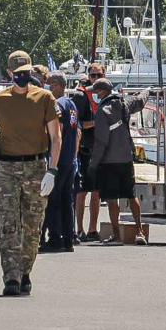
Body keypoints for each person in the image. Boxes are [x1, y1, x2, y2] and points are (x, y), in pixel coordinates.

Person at [0, 50, 62, 296]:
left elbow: (56, 137)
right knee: (9, 224)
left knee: (33, 225)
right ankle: (11, 276)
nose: (23, 77)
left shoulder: (44, 98)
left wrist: (52, 170)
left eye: (27, 73)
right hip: (7, 169)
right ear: (10, 73)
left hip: (36, 167)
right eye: (19, 73)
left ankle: (25, 271)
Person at [88, 78, 148, 246]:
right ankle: (139, 232)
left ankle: (117, 236)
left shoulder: (102, 111)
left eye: (95, 92)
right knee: (131, 195)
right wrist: (147, 90)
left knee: (112, 199)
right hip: (126, 157)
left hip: (108, 161)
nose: (94, 95)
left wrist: (93, 164)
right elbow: (141, 100)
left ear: (101, 92)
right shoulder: (124, 103)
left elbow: (101, 141)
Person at [41, 70, 80, 252]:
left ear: (55, 85)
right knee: (67, 200)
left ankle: (55, 238)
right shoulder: (72, 104)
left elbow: (57, 132)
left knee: (54, 200)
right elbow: (78, 133)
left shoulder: (58, 104)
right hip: (70, 159)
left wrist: (52, 160)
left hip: (58, 159)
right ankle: (68, 238)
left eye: (48, 84)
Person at [72, 62, 103, 242]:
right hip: (84, 149)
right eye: (93, 76)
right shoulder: (81, 96)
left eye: (99, 75)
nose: (96, 79)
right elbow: (78, 123)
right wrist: (97, 122)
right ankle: (79, 229)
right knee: (81, 192)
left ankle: (93, 229)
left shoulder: (108, 95)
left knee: (97, 192)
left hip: (100, 150)